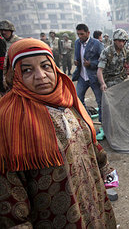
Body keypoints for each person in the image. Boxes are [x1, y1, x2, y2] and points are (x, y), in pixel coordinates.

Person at [0, 38, 116, 228]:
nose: (41, 76)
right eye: (27, 70)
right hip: (54, 217)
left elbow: (90, 143)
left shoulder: (69, 101)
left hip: (91, 201)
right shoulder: (8, 118)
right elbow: (8, 187)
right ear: (15, 75)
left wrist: (106, 170)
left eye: (46, 66)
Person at [72, 23, 104, 124]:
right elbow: (77, 56)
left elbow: (104, 60)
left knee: (100, 101)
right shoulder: (77, 43)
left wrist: (91, 64)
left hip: (94, 77)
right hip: (82, 76)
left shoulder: (97, 44)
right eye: (78, 34)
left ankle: (103, 123)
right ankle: (87, 119)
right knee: (78, 99)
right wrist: (76, 61)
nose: (80, 36)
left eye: (82, 34)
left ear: (88, 33)